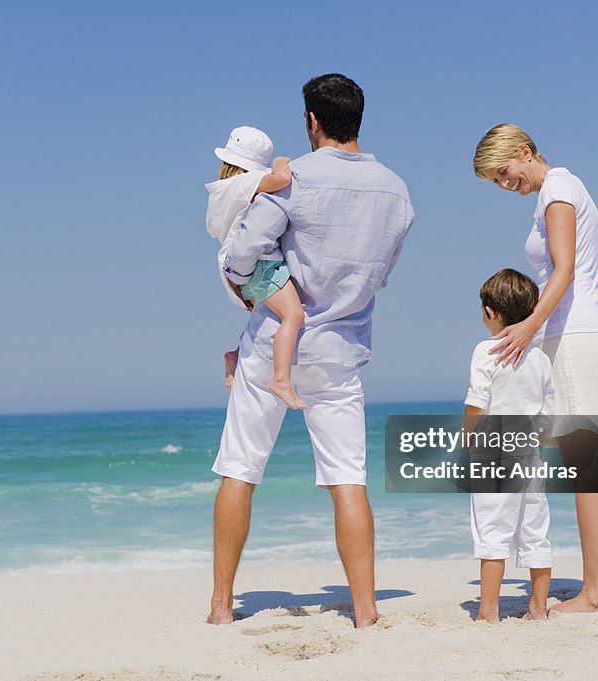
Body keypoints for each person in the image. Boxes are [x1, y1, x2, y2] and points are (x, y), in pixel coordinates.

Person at [207, 74, 414, 628]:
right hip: (342, 352)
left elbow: (245, 251)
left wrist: (246, 285)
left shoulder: (296, 177)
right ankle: (366, 611)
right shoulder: (396, 190)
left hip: (273, 347)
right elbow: (382, 275)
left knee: (240, 470)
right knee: (348, 480)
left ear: (312, 121)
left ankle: (222, 607)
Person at [473, 123, 598, 613]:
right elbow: (594, 278)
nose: (506, 184)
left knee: (586, 465)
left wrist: (529, 328)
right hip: (594, 331)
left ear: (525, 152)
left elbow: (563, 270)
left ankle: (591, 596)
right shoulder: (571, 187)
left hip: (572, 336)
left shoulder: (557, 190)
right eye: (496, 181)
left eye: (504, 172)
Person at [463, 268, 554, 623]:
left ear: (490, 312)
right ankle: (538, 607)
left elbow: (476, 402)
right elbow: (547, 411)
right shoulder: (540, 358)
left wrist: (468, 438)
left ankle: (488, 612)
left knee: (492, 534)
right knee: (535, 532)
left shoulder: (486, 351)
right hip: (530, 455)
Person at [205, 126, 306, 409]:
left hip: (237, 266)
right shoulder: (243, 185)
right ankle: (281, 378)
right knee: (294, 315)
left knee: (269, 313)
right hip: (260, 264)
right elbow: (281, 178)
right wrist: (281, 161)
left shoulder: (221, 191)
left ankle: (236, 355)